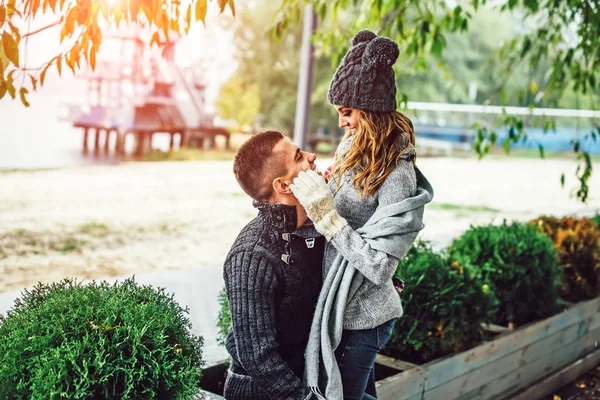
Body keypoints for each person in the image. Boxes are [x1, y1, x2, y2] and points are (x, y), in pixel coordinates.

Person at [291, 30, 434, 400]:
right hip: (343, 309)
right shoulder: (351, 147)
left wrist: (328, 217)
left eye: (347, 113)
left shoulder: (397, 175)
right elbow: (352, 205)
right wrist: (329, 188)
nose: (341, 123)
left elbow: (381, 266)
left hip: (363, 318)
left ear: (369, 110)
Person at [222, 130, 325, 400]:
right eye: (300, 157)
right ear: (284, 186)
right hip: (260, 392)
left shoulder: (316, 228)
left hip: (310, 378)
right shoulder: (251, 254)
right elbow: (257, 356)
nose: (313, 157)